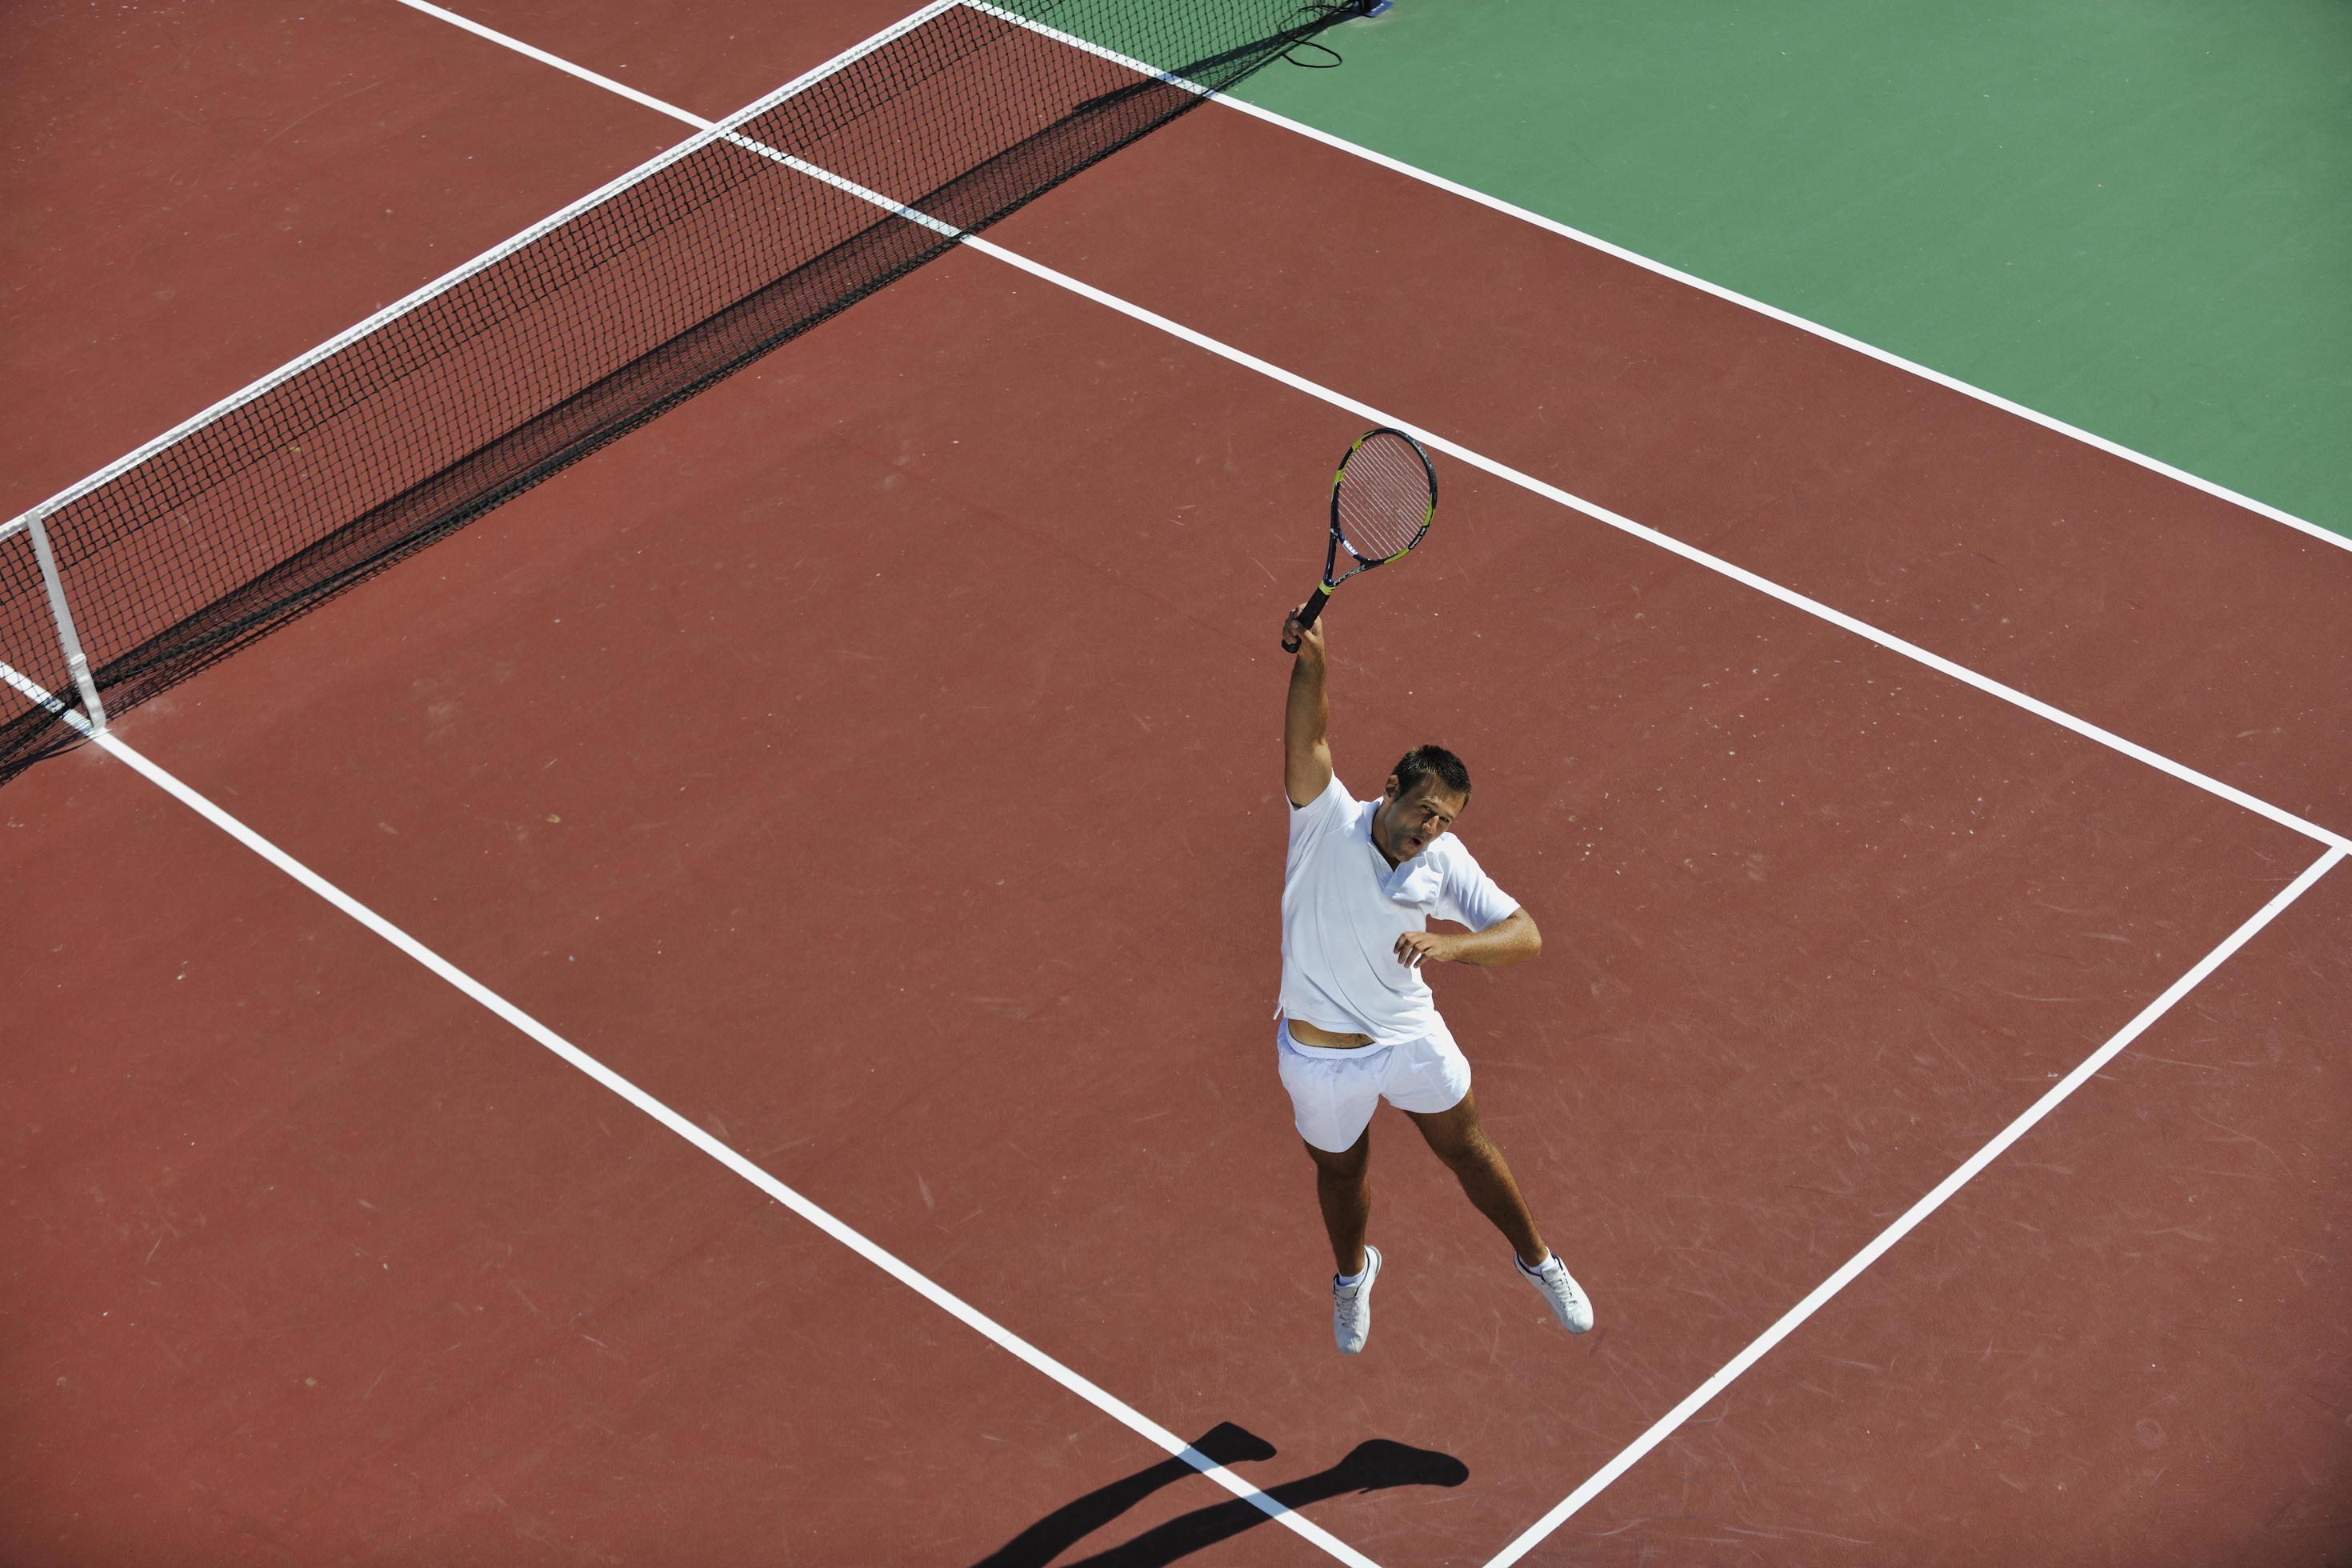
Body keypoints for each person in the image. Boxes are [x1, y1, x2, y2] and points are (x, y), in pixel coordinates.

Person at [1276, 604, 1593, 1355]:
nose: (1430, 829)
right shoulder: (1323, 819)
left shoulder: (1441, 863)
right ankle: (1353, 1276)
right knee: (1341, 1173)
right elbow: (1310, 734)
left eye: (1445, 821)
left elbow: (1526, 936)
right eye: (1424, 811)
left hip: (1409, 1035)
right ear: (1389, 789)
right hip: (1320, 1056)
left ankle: (1540, 1261)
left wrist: (1452, 947)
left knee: (1468, 1145)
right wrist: (1312, 657)